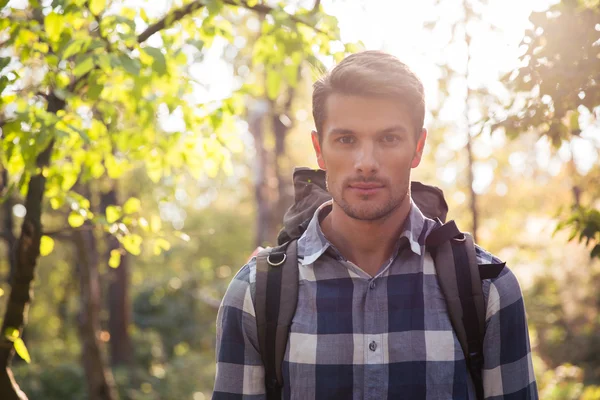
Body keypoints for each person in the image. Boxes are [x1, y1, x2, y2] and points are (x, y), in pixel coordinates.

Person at [212, 50, 538, 399]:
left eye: (388, 139)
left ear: (418, 148)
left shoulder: (488, 289)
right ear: (319, 150)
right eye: (346, 140)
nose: (365, 163)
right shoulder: (253, 297)